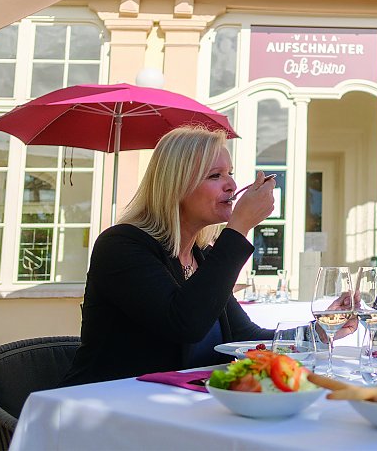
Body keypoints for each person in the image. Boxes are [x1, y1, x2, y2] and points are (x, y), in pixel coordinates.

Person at [63, 126, 355, 386]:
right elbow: (184, 323)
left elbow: (246, 338)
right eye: (215, 176)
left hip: (182, 409)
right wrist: (238, 228)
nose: (231, 185)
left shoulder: (201, 256)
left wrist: (319, 332)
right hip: (110, 407)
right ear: (175, 186)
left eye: (230, 174)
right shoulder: (121, 246)